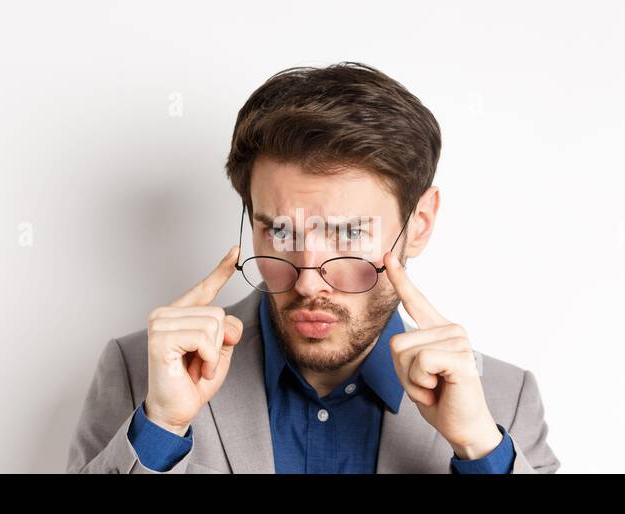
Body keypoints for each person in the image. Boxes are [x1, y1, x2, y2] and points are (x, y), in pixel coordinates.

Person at [67, 62, 560, 473]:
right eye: (280, 232)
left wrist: (480, 448)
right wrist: (160, 427)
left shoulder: (503, 400)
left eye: (347, 234)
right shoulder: (142, 372)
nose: (306, 280)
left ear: (420, 223)